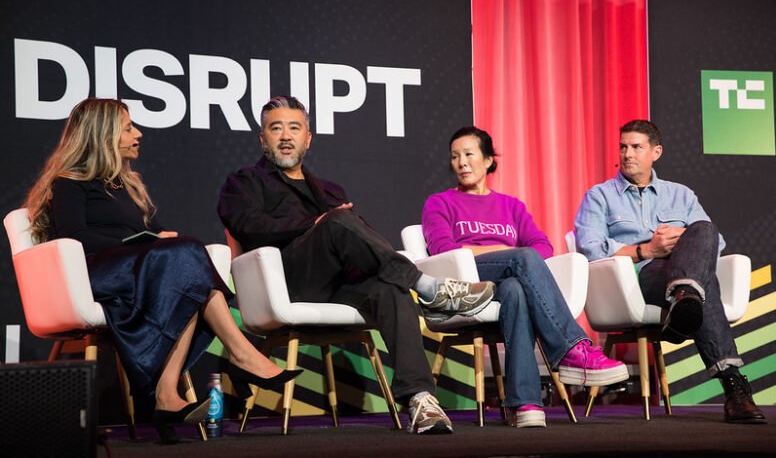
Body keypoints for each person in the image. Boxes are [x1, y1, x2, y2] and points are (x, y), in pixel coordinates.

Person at [23, 98, 302, 444]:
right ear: (103, 135)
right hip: (96, 278)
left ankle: (168, 395)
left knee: (186, 268)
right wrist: (137, 241)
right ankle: (242, 353)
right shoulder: (70, 182)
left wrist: (156, 240)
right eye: (128, 127)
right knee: (186, 256)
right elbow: (73, 237)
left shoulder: (128, 186)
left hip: (136, 275)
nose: (138, 134)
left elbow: (159, 242)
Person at [218, 96, 496, 435]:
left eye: (295, 128)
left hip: (337, 285)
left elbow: (360, 241)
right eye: (276, 129)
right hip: (286, 282)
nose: (286, 136)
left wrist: (338, 225)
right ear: (263, 139)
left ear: (308, 138)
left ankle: (421, 399)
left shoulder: (330, 191)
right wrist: (317, 224)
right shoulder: (244, 182)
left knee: (390, 289)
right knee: (337, 222)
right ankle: (428, 288)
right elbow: (247, 225)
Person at [421, 126, 629, 428]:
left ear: (489, 160)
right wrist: (505, 252)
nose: (461, 163)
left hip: (507, 280)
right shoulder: (440, 203)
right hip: (466, 282)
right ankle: (571, 350)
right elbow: (443, 249)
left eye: (469, 154)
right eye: (455, 157)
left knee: (517, 289)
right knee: (523, 258)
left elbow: (543, 246)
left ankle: (526, 403)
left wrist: (514, 259)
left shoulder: (511, 206)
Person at [574, 119, 767, 424]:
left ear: (656, 152)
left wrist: (681, 251)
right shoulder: (599, 196)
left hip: (679, 272)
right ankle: (735, 388)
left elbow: (712, 245)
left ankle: (683, 298)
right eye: (623, 147)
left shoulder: (681, 195)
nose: (627, 154)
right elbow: (590, 249)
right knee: (702, 286)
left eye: (636, 147)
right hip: (636, 280)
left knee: (704, 230)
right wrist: (647, 250)